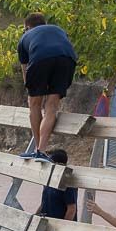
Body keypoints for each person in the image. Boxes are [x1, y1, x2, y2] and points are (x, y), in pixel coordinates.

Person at [17, 13, 78, 160]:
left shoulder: (25, 37)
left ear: (27, 27)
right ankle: (42, 150)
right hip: (67, 59)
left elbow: (25, 70)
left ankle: (38, 150)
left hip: (40, 58)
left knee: (35, 104)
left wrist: (31, 90)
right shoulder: (58, 30)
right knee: (52, 105)